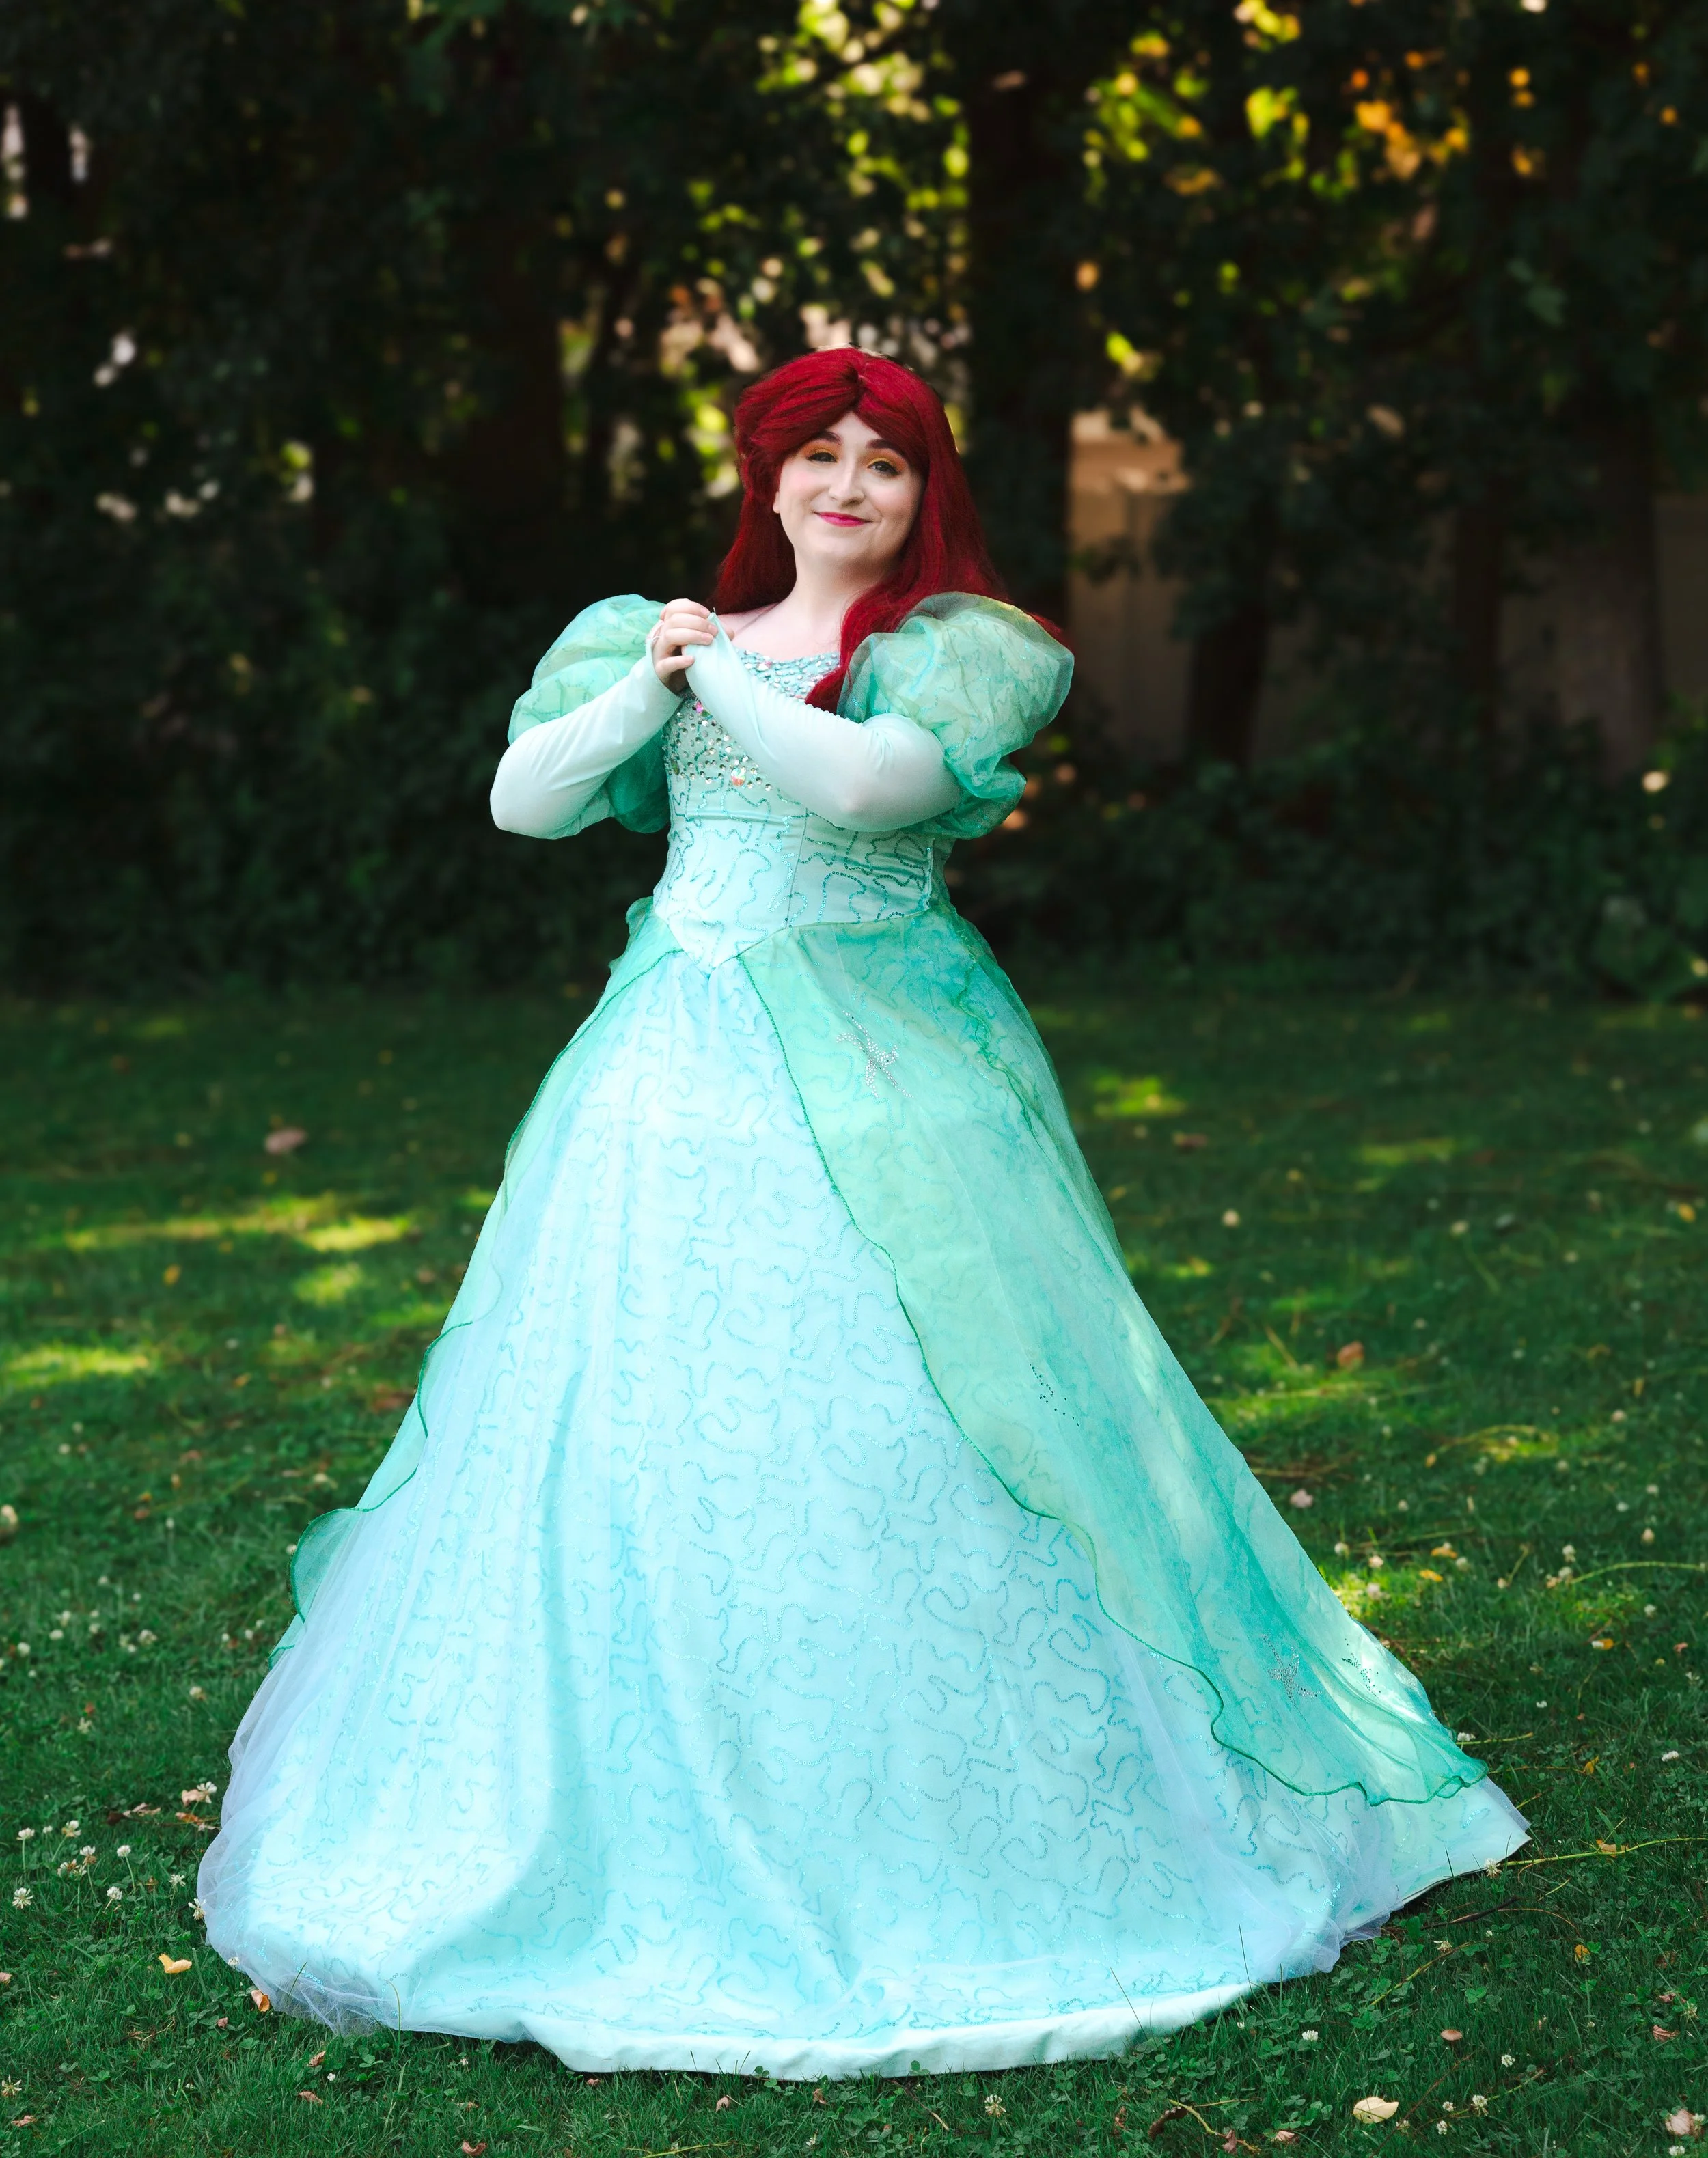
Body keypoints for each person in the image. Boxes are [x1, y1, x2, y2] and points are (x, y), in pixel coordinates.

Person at [199, 348, 1525, 2079]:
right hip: (666, 1082)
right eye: (815, 456)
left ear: (920, 492)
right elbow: (524, 801)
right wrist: (658, 676)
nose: (845, 486)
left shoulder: (954, 649)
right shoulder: (658, 635)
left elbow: (862, 789)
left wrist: (721, 679)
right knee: (643, 1414)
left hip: (897, 1078)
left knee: (920, 1411)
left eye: (882, 462)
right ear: (765, 477)